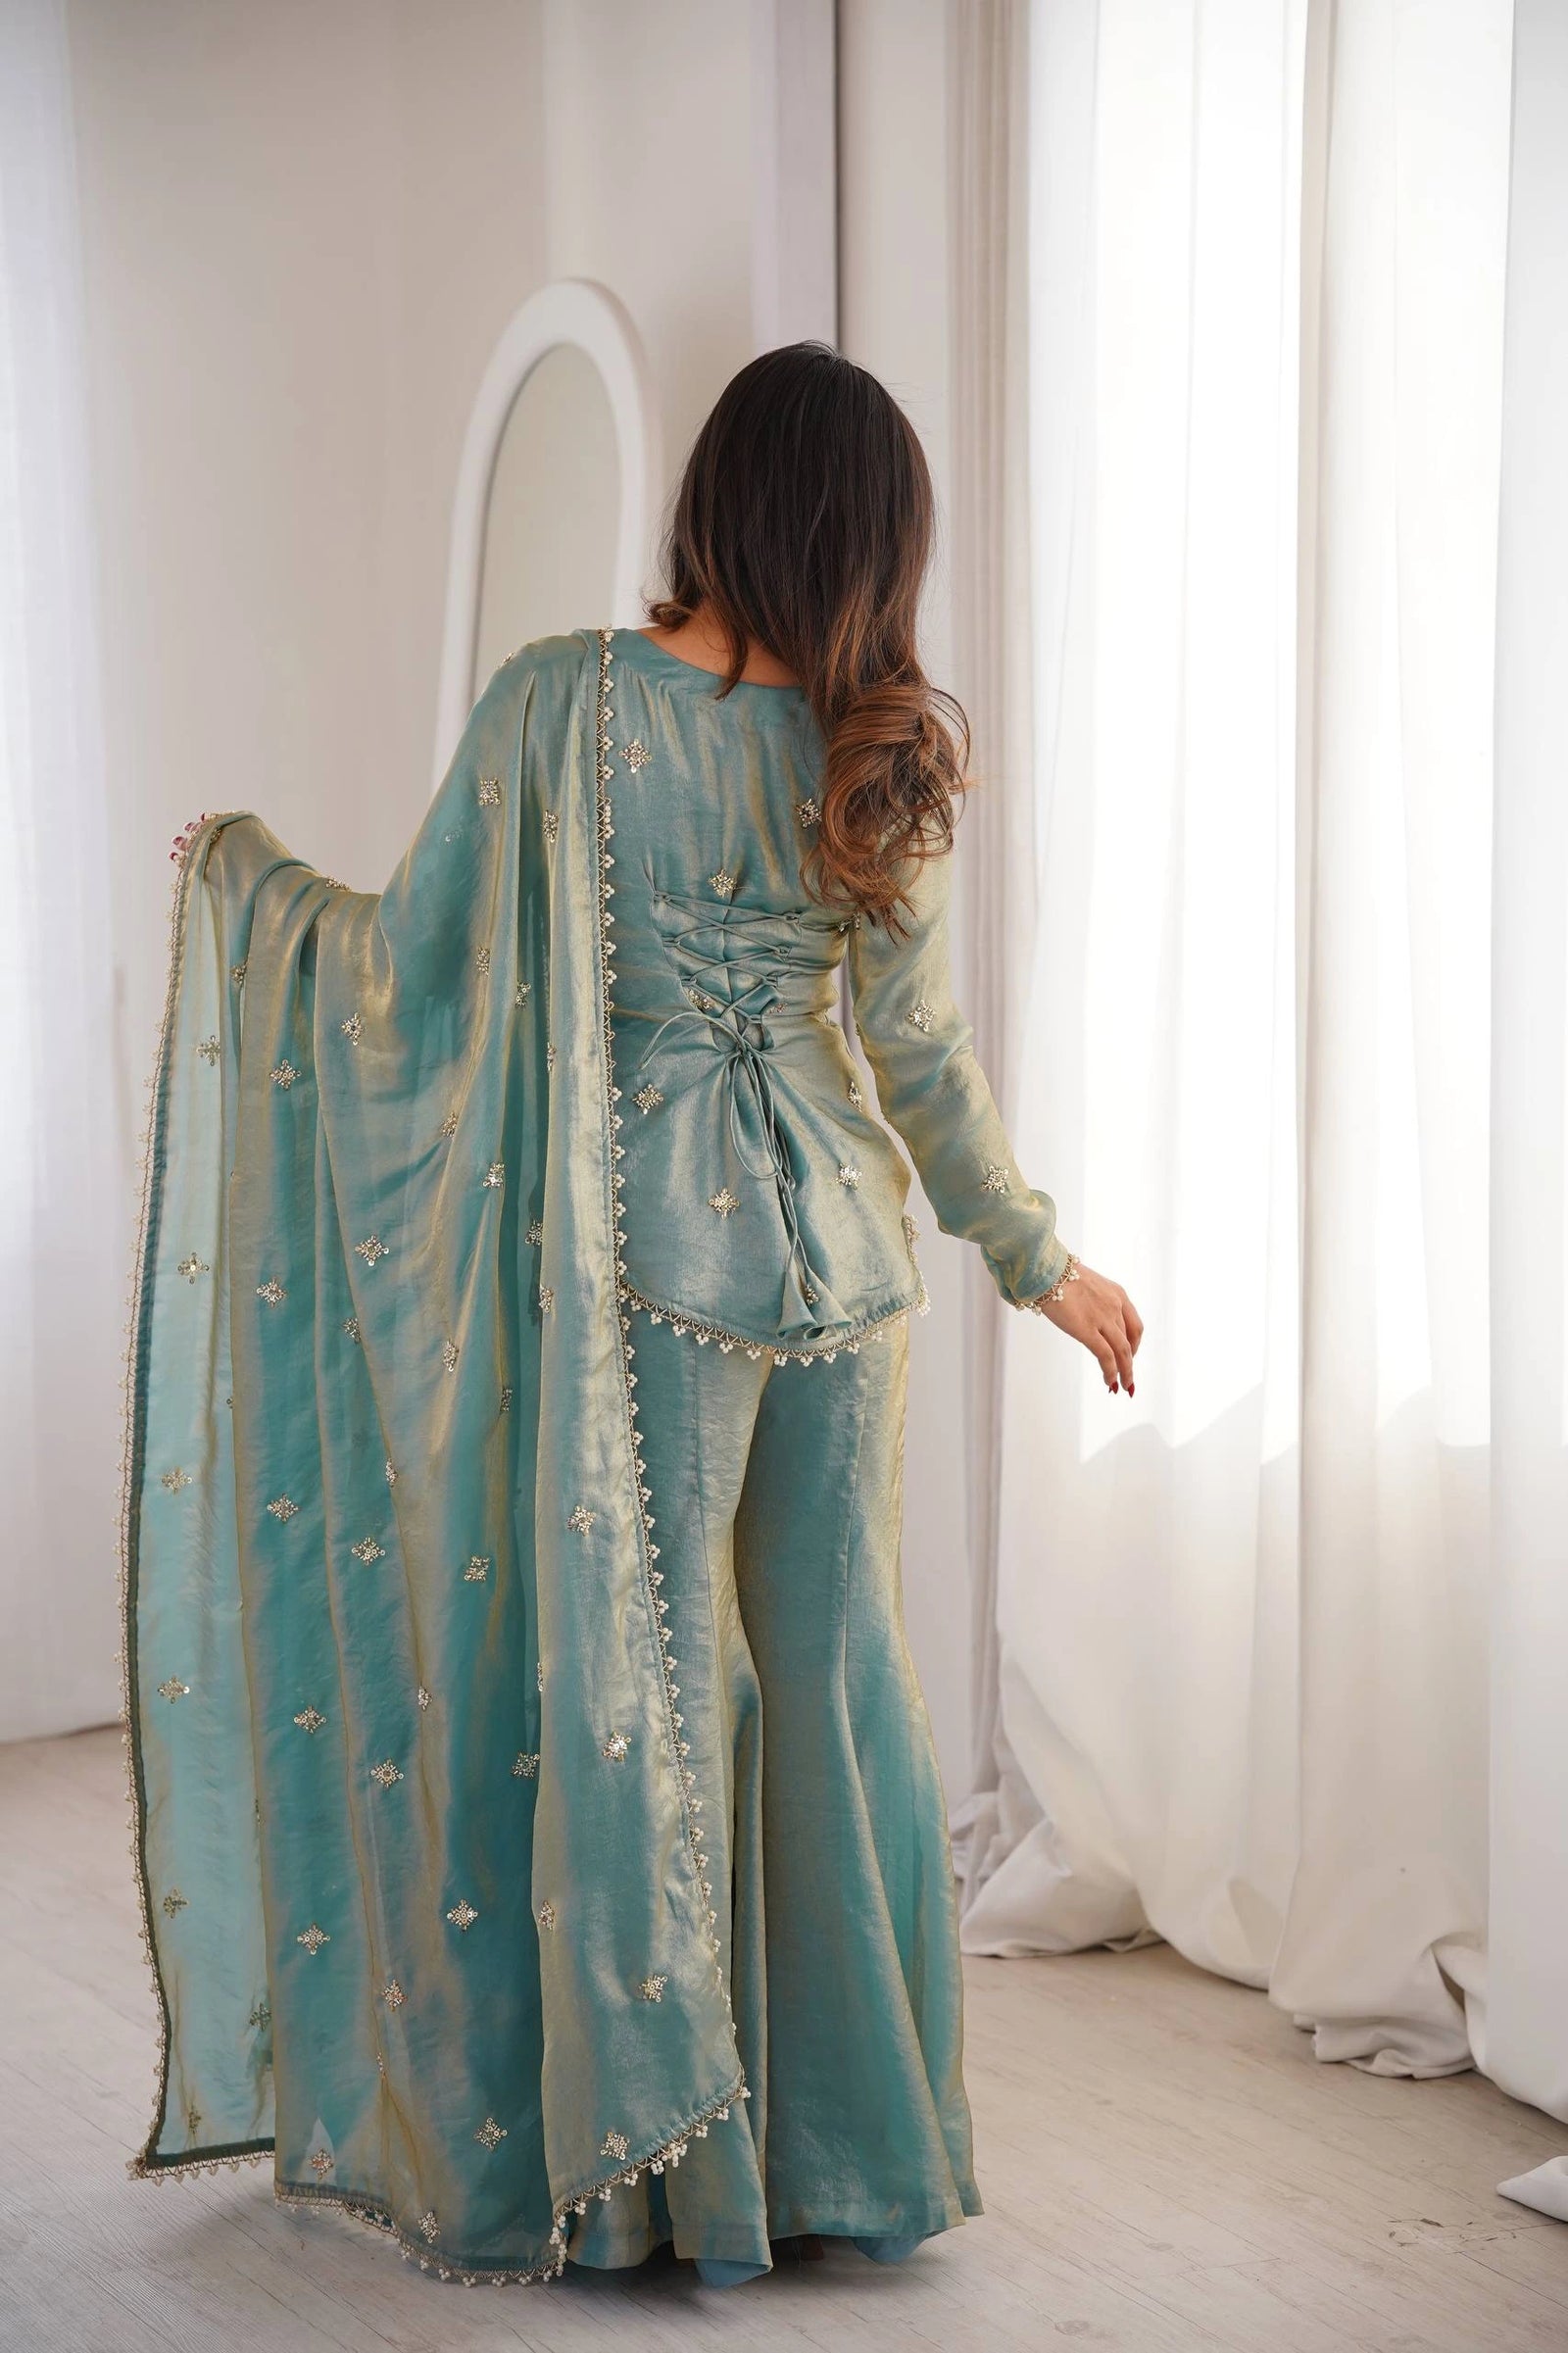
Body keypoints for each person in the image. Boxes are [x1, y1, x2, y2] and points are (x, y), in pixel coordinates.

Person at [122, 341, 1141, 2293]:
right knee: (839, 1683)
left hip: (655, 1269)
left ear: (711, 493)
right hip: (844, 1262)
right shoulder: (889, 740)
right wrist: (1030, 1256)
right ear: (866, 534)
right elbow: (917, 1060)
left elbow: (403, 965)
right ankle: (858, 2158)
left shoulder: (562, 706)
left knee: (650, 1696)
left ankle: (672, 2175)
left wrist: (249, 891)